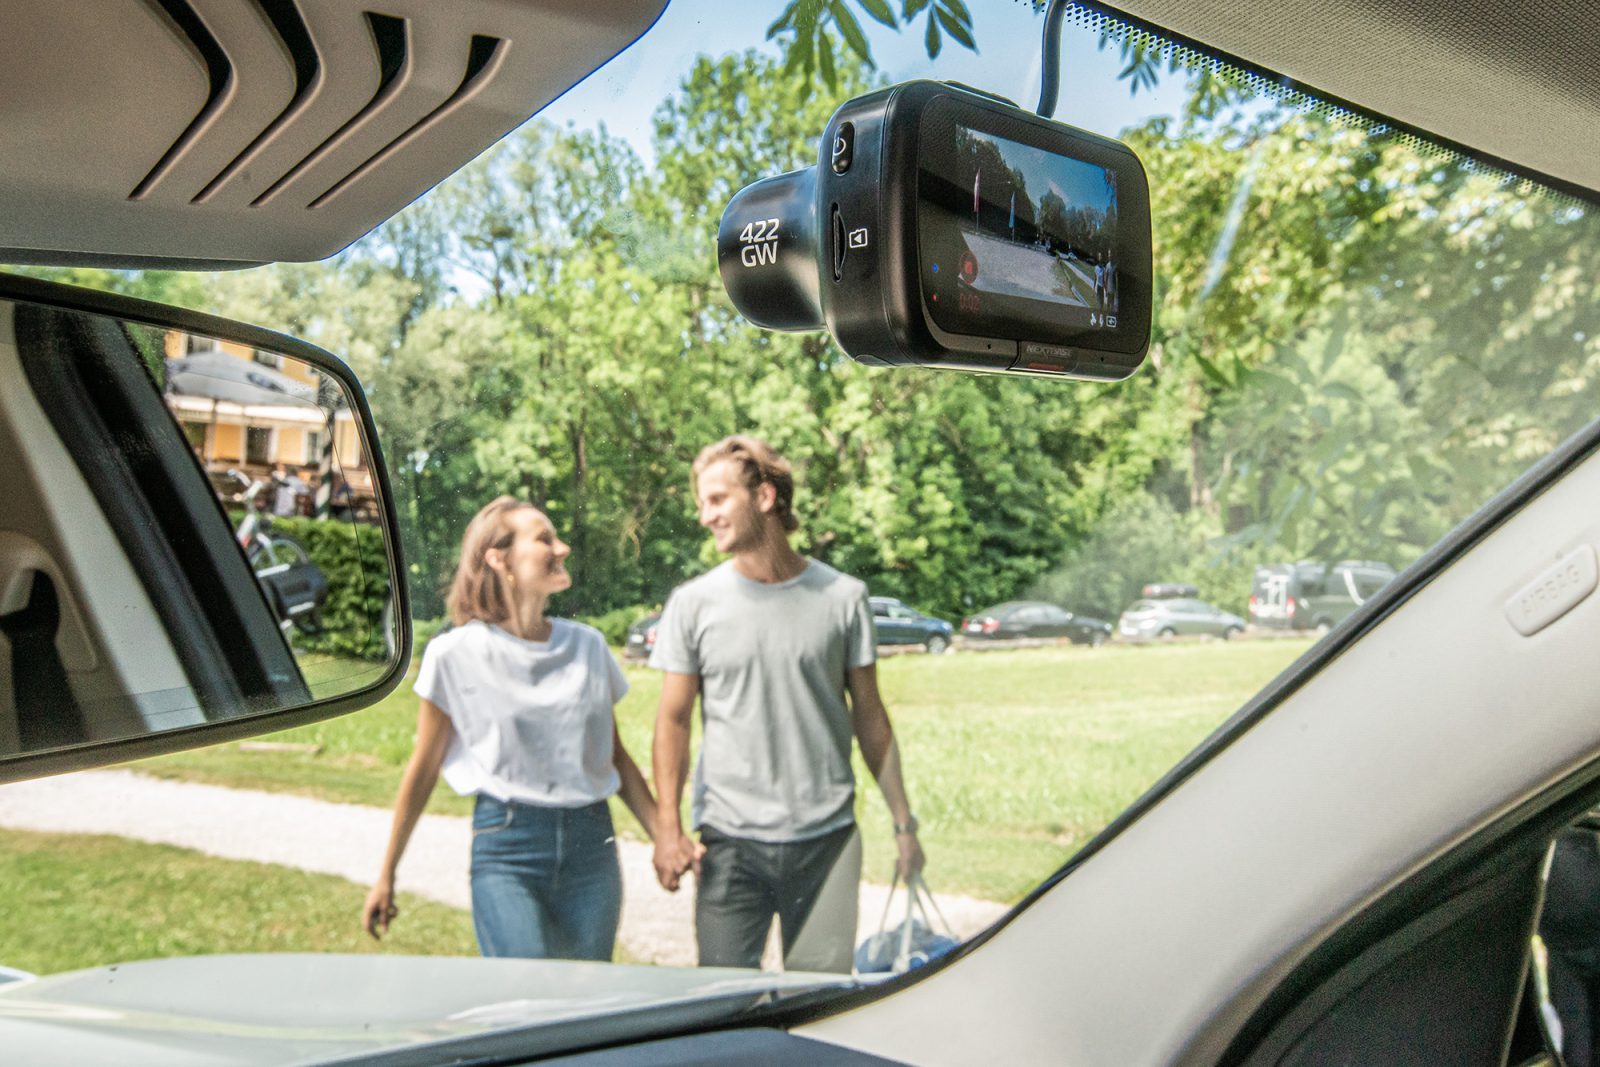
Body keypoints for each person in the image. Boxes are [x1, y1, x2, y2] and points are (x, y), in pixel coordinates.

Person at [649, 434, 925, 973]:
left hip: (826, 845)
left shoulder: (843, 598)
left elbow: (870, 716)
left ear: (765, 498)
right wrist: (667, 826)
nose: (705, 517)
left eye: (717, 499)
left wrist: (903, 822)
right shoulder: (693, 604)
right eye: (702, 503)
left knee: (820, 1008)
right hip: (729, 846)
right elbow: (672, 721)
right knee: (723, 1011)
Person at [361, 496, 657, 960]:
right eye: (544, 539)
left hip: (591, 847)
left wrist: (667, 839)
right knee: (527, 997)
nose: (561, 548)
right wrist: (386, 875)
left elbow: (614, 756)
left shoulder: (589, 647)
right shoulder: (455, 654)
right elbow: (422, 769)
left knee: (587, 998)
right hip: (508, 847)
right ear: (499, 559)